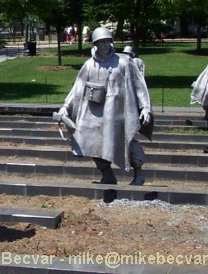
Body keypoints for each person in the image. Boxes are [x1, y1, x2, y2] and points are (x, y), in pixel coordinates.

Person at [56, 27, 153, 186]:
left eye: (108, 41)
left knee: (128, 140)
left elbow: (139, 85)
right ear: (95, 44)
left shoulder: (124, 62)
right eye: (102, 42)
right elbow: (77, 89)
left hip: (119, 111)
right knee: (91, 141)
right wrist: (65, 107)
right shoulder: (89, 65)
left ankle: (139, 174)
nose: (106, 45)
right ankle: (107, 174)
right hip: (95, 113)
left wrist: (145, 107)